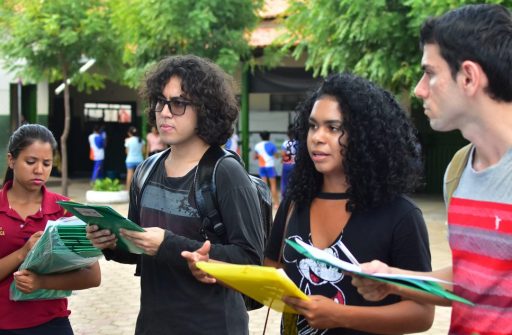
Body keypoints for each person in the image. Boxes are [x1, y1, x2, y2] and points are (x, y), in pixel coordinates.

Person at [187, 73, 434, 334]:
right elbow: (273, 277)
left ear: (366, 136)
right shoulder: (296, 201)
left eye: (334, 127)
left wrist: (341, 316)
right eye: (313, 126)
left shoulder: (400, 215)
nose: (317, 137)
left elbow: (421, 314)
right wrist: (218, 270)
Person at [351, 4, 512, 335]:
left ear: (468, 77)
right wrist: (395, 280)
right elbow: (474, 280)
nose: (419, 89)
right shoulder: (458, 171)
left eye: (430, 73)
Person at [85, 55, 264, 335]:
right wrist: (111, 243)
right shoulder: (146, 170)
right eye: (160, 101)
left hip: (213, 326)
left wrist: (167, 244)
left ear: (205, 109)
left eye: (178, 103)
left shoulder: (225, 173)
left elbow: (251, 261)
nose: (165, 112)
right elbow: (139, 251)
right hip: (154, 324)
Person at [0, 124, 101, 334]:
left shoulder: (66, 211)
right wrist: (23, 253)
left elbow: (93, 277)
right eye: (31, 162)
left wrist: (41, 282)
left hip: (51, 323)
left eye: (47, 163)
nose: (39, 170)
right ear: (11, 160)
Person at [253, 131, 279, 208]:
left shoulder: (257, 146)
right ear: (269, 137)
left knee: (264, 186)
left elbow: (255, 157)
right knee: (273, 185)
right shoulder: (272, 145)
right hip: (270, 167)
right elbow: (276, 156)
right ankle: (276, 204)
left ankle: (265, 204)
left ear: (261, 137)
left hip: (262, 167)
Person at [280, 124, 297, 200]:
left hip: (286, 166)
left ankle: (285, 198)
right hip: (296, 166)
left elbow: (283, 155)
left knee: (284, 182)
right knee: (295, 182)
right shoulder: (298, 143)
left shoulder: (285, 143)